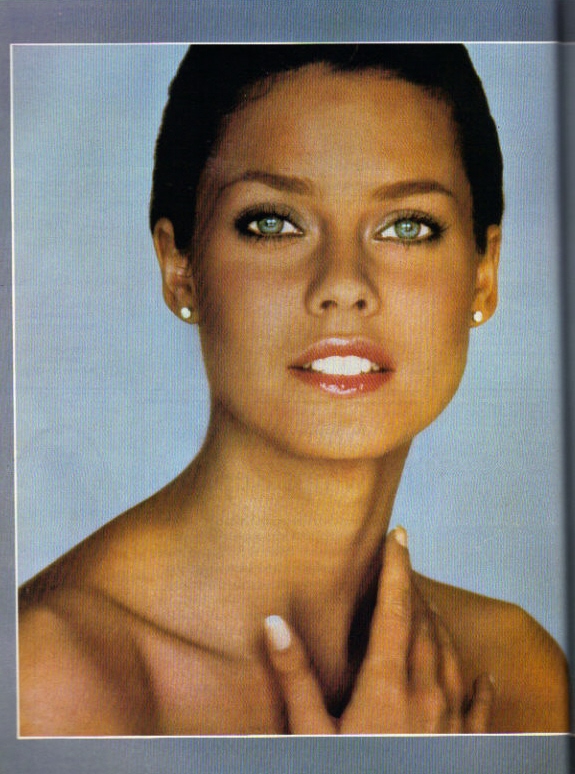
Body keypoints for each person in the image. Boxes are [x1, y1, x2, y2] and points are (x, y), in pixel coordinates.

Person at [18, 44, 569, 735]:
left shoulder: (516, 672)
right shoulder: (47, 676)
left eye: (407, 227)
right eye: (273, 222)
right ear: (179, 267)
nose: (343, 284)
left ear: (483, 276)